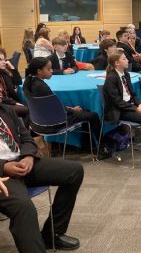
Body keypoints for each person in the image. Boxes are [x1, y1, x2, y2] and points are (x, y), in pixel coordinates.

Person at [0, 102, 84, 252]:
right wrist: (3, 167)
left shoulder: (6, 110)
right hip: (3, 175)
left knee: (74, 171)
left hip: (22, 162)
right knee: (24, 207)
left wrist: (28, 157)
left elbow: (27, 138)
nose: (1, 91)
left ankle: (52, 234)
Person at [23, 57, 102, 148]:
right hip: (54, 123)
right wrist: (72, 109)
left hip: (37, 122)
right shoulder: (41, 87)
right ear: (39, 71)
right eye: (48, 69)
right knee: (93, 115)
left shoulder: (28, 82)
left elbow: (51, 106)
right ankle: (102, 145)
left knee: (85, 112)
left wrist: (70, 109)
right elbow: (57, 108)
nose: (51, 71)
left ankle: (86, 144)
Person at [0, 48, 29, 122]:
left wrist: (12, 67)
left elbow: (18, 81)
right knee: (26, 109)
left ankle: (22, 127)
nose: (3, 62)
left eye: (4, 59)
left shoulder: (4, 72)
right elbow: (2, 98)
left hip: (9, 100)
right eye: (0, 60)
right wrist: (15, 103)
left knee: (29, 105)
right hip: (3, 104)